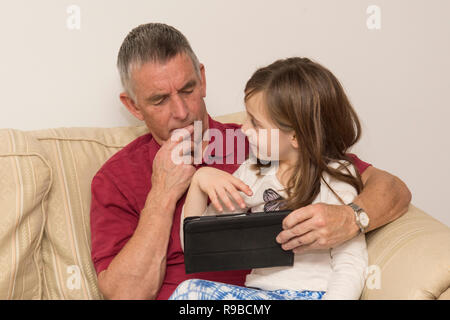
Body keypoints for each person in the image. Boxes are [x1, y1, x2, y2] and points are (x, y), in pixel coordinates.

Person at [89, 23, 412, 300]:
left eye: (188, 89)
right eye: (159, 100)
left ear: (202, 78)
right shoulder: (115, 178)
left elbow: (390, 188)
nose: (181, 111)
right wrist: (162, 193)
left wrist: (352, 217)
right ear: (132, 106)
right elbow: (125, 293)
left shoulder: (267, 141)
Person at [169, 57, 368, 300]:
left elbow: (351, 263)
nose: (243, 129)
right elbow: (198, 245)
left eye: (256, 123)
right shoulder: (253, 170)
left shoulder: (336, 178)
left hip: (313, 295)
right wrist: (199, 183)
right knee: (190, 294)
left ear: (295, 136)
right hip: (260, 296)